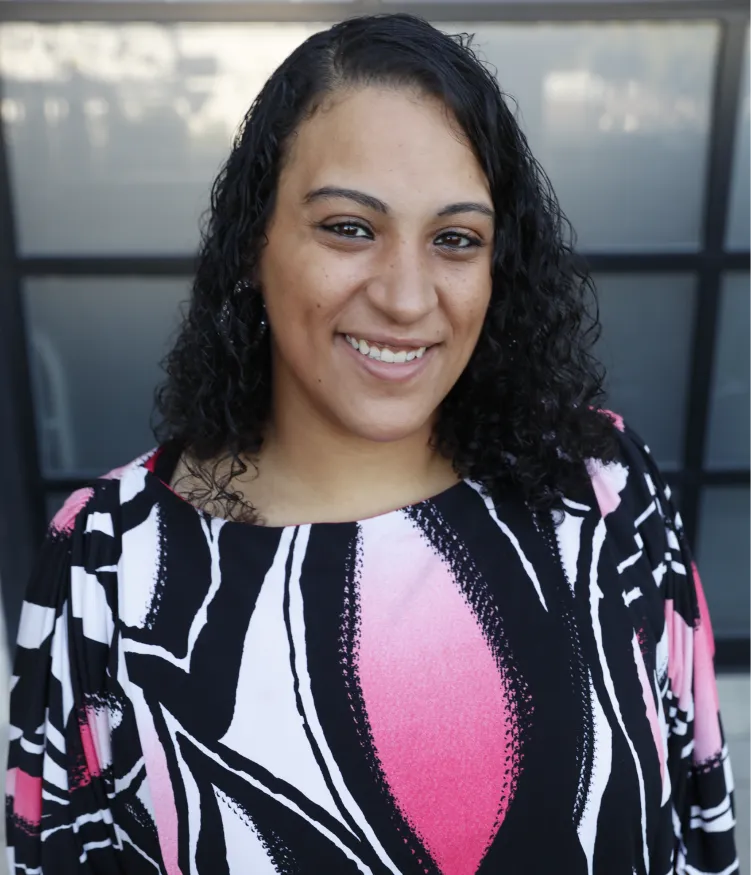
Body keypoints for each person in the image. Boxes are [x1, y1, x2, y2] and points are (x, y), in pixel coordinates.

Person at [6, 13, 737, 875]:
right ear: (252, 244)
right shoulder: (111, 563)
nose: (404, 296)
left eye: (455, 239)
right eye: (349, 227)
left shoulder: (600, 489)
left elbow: (697, 815)